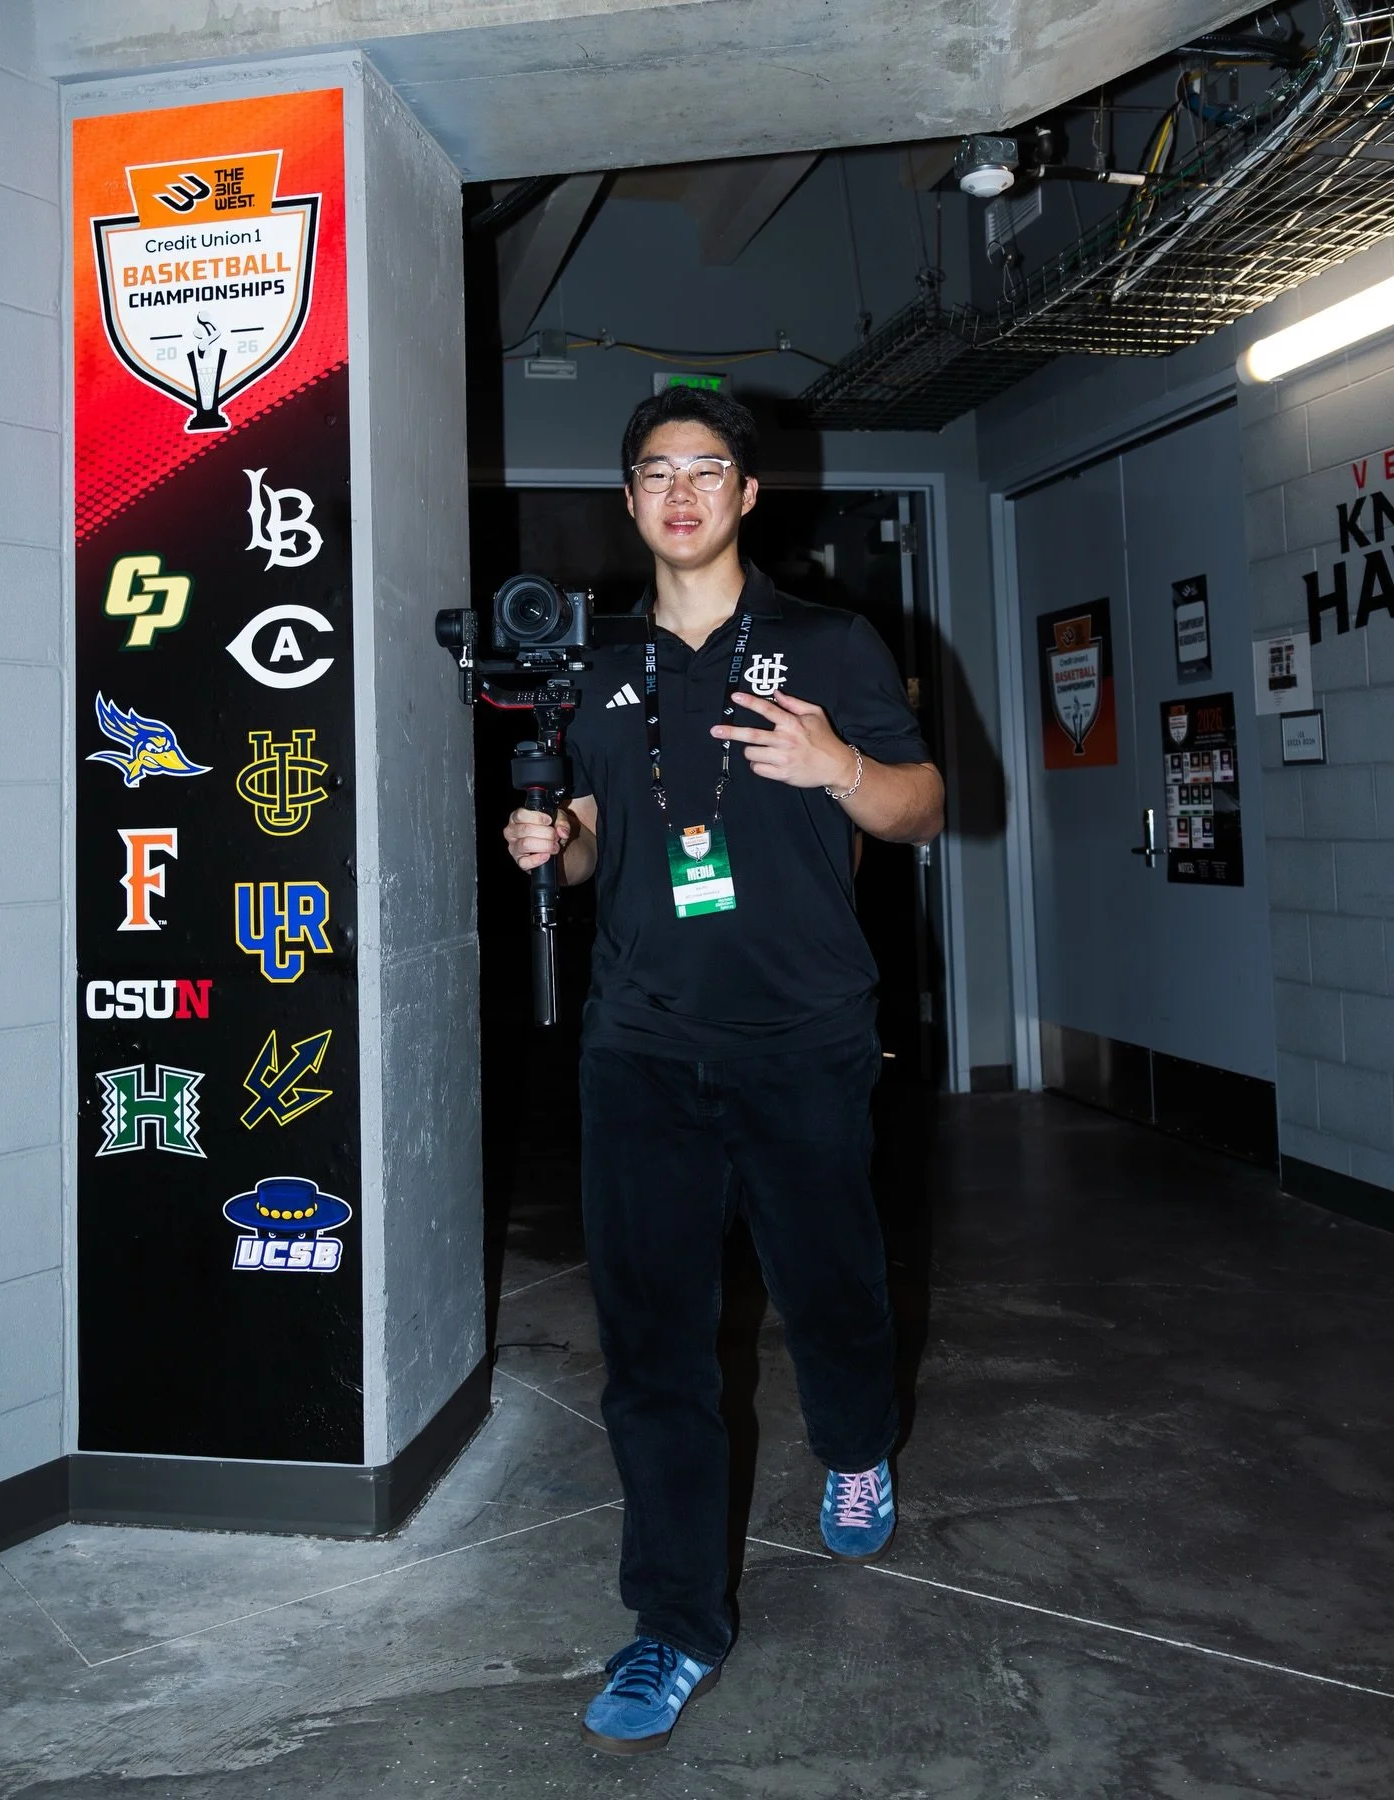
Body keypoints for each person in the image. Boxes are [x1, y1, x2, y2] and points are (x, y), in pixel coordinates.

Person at [502, 388, 945, 1755]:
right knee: (652, 1346)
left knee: (833, 1291)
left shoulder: (830, 641)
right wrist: (552, 844)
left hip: (805, 1036)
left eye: (708, 470)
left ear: (749, 493)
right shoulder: (594, 661)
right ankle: (674, 1621)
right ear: (631, 499)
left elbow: (923, 806)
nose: (682, 492)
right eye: (657, 472)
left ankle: (857, 1444)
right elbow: (591, 835)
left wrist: (837, 761)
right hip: (642, 1041)